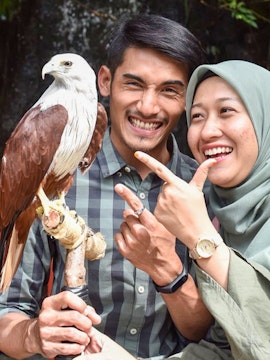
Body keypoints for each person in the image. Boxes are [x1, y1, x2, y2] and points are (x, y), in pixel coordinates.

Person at [0, 14, 214, 359]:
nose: (148, 106)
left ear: (188, 99)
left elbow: (218, 331)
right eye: (134, 84)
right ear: (105, 81)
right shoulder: (56, 177)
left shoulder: (206, 188)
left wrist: (167, 269)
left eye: (169, 90)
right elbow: (6, 308)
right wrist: (34, 335)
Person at [111, 60, 270, 359]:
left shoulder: (199, 216)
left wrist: (199, 236)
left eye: (226, 111)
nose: (208, 131)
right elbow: (227, 346)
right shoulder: (216, 207)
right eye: (197, 116)